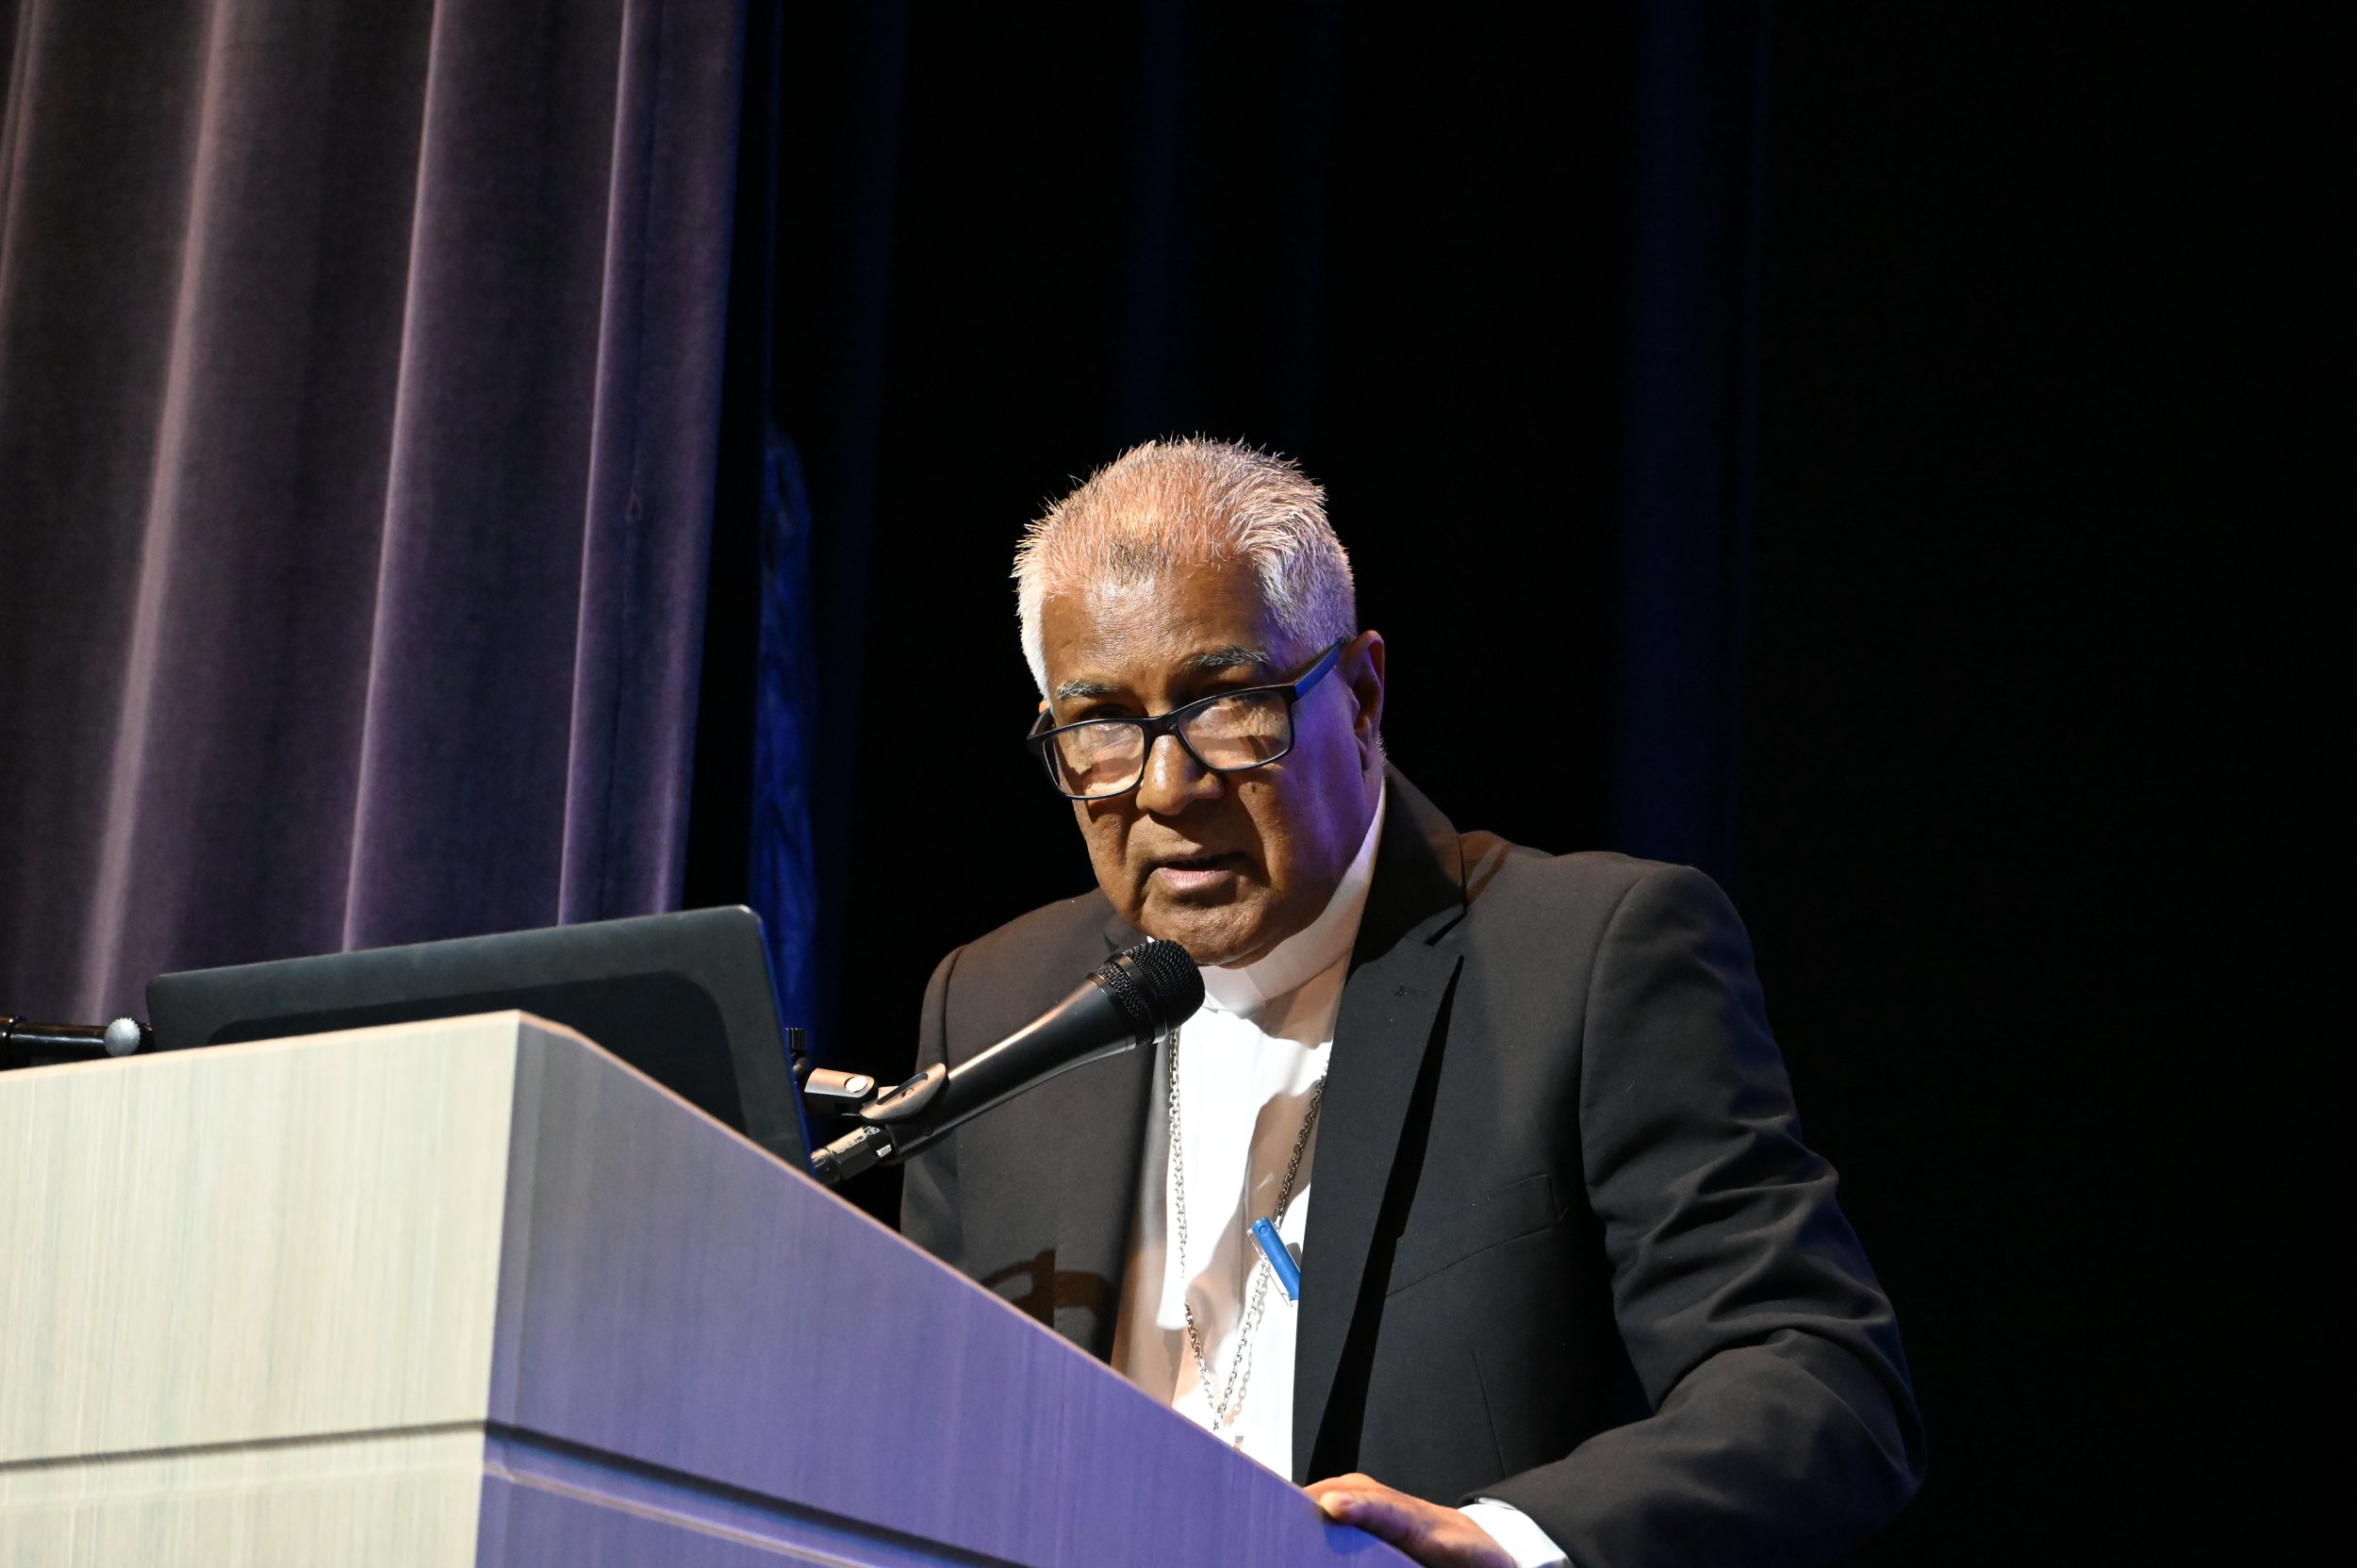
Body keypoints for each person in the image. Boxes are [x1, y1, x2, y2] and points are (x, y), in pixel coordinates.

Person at [899, 438, 1923, 1566]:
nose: (1166, 787)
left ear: (1360, 695)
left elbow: (1816, 1382)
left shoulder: (1586, 958)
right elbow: (912, 1424)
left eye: (1227, 704)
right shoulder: (994, 1004)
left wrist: (1501, 1540)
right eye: (1098, 724)